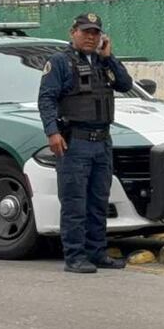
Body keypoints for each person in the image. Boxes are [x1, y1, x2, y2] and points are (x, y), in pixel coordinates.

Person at [38, 14, 134, 273]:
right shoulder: (60, 62)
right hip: (75, 142)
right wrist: (52, 132)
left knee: (98, 201)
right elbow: (46, 99)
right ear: (73, 32)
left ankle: (97, 252)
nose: (91, 37)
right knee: (74, 202)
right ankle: (75, 256)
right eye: (86, 32)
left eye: (95, 33)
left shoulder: (103, 62)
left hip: (102, 142)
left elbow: (125, 84)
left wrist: (109, 57)